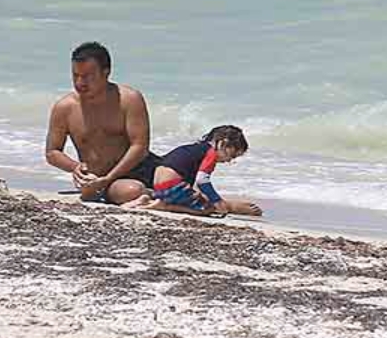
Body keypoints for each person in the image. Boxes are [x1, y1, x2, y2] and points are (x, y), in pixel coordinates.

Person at [45, 42, 154, 204]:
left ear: (106, 72)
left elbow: (140, 147)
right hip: (95, 179)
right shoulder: (65, 108)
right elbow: (52, 152)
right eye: (76, 75)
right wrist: (75, 167)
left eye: (88, 76)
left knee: (133, 190)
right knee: (128, 191)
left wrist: (110, 177)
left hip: (136, 170)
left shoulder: (129, 99)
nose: (80, 82)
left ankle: (156, 192)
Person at [121, 125, 263, 217]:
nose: (229, 160)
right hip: (173, 186)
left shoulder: (193, 148)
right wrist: (216, 200)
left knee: (196, 197)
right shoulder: (211, 153)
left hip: (158, 185)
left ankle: (149, 199)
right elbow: (202, 180)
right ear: (222, 142)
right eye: (231, 155)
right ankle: (164, 206)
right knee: (206, 209)